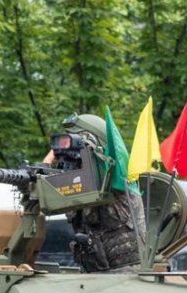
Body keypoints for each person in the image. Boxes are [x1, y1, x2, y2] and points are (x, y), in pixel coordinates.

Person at [50, 115, 145, 273]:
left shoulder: (117, 180)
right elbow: (44, 195)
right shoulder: (77, 181)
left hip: (126, 274)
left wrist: (89, 148)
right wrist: (50, 162)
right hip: (92, 272)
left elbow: (105, 168)